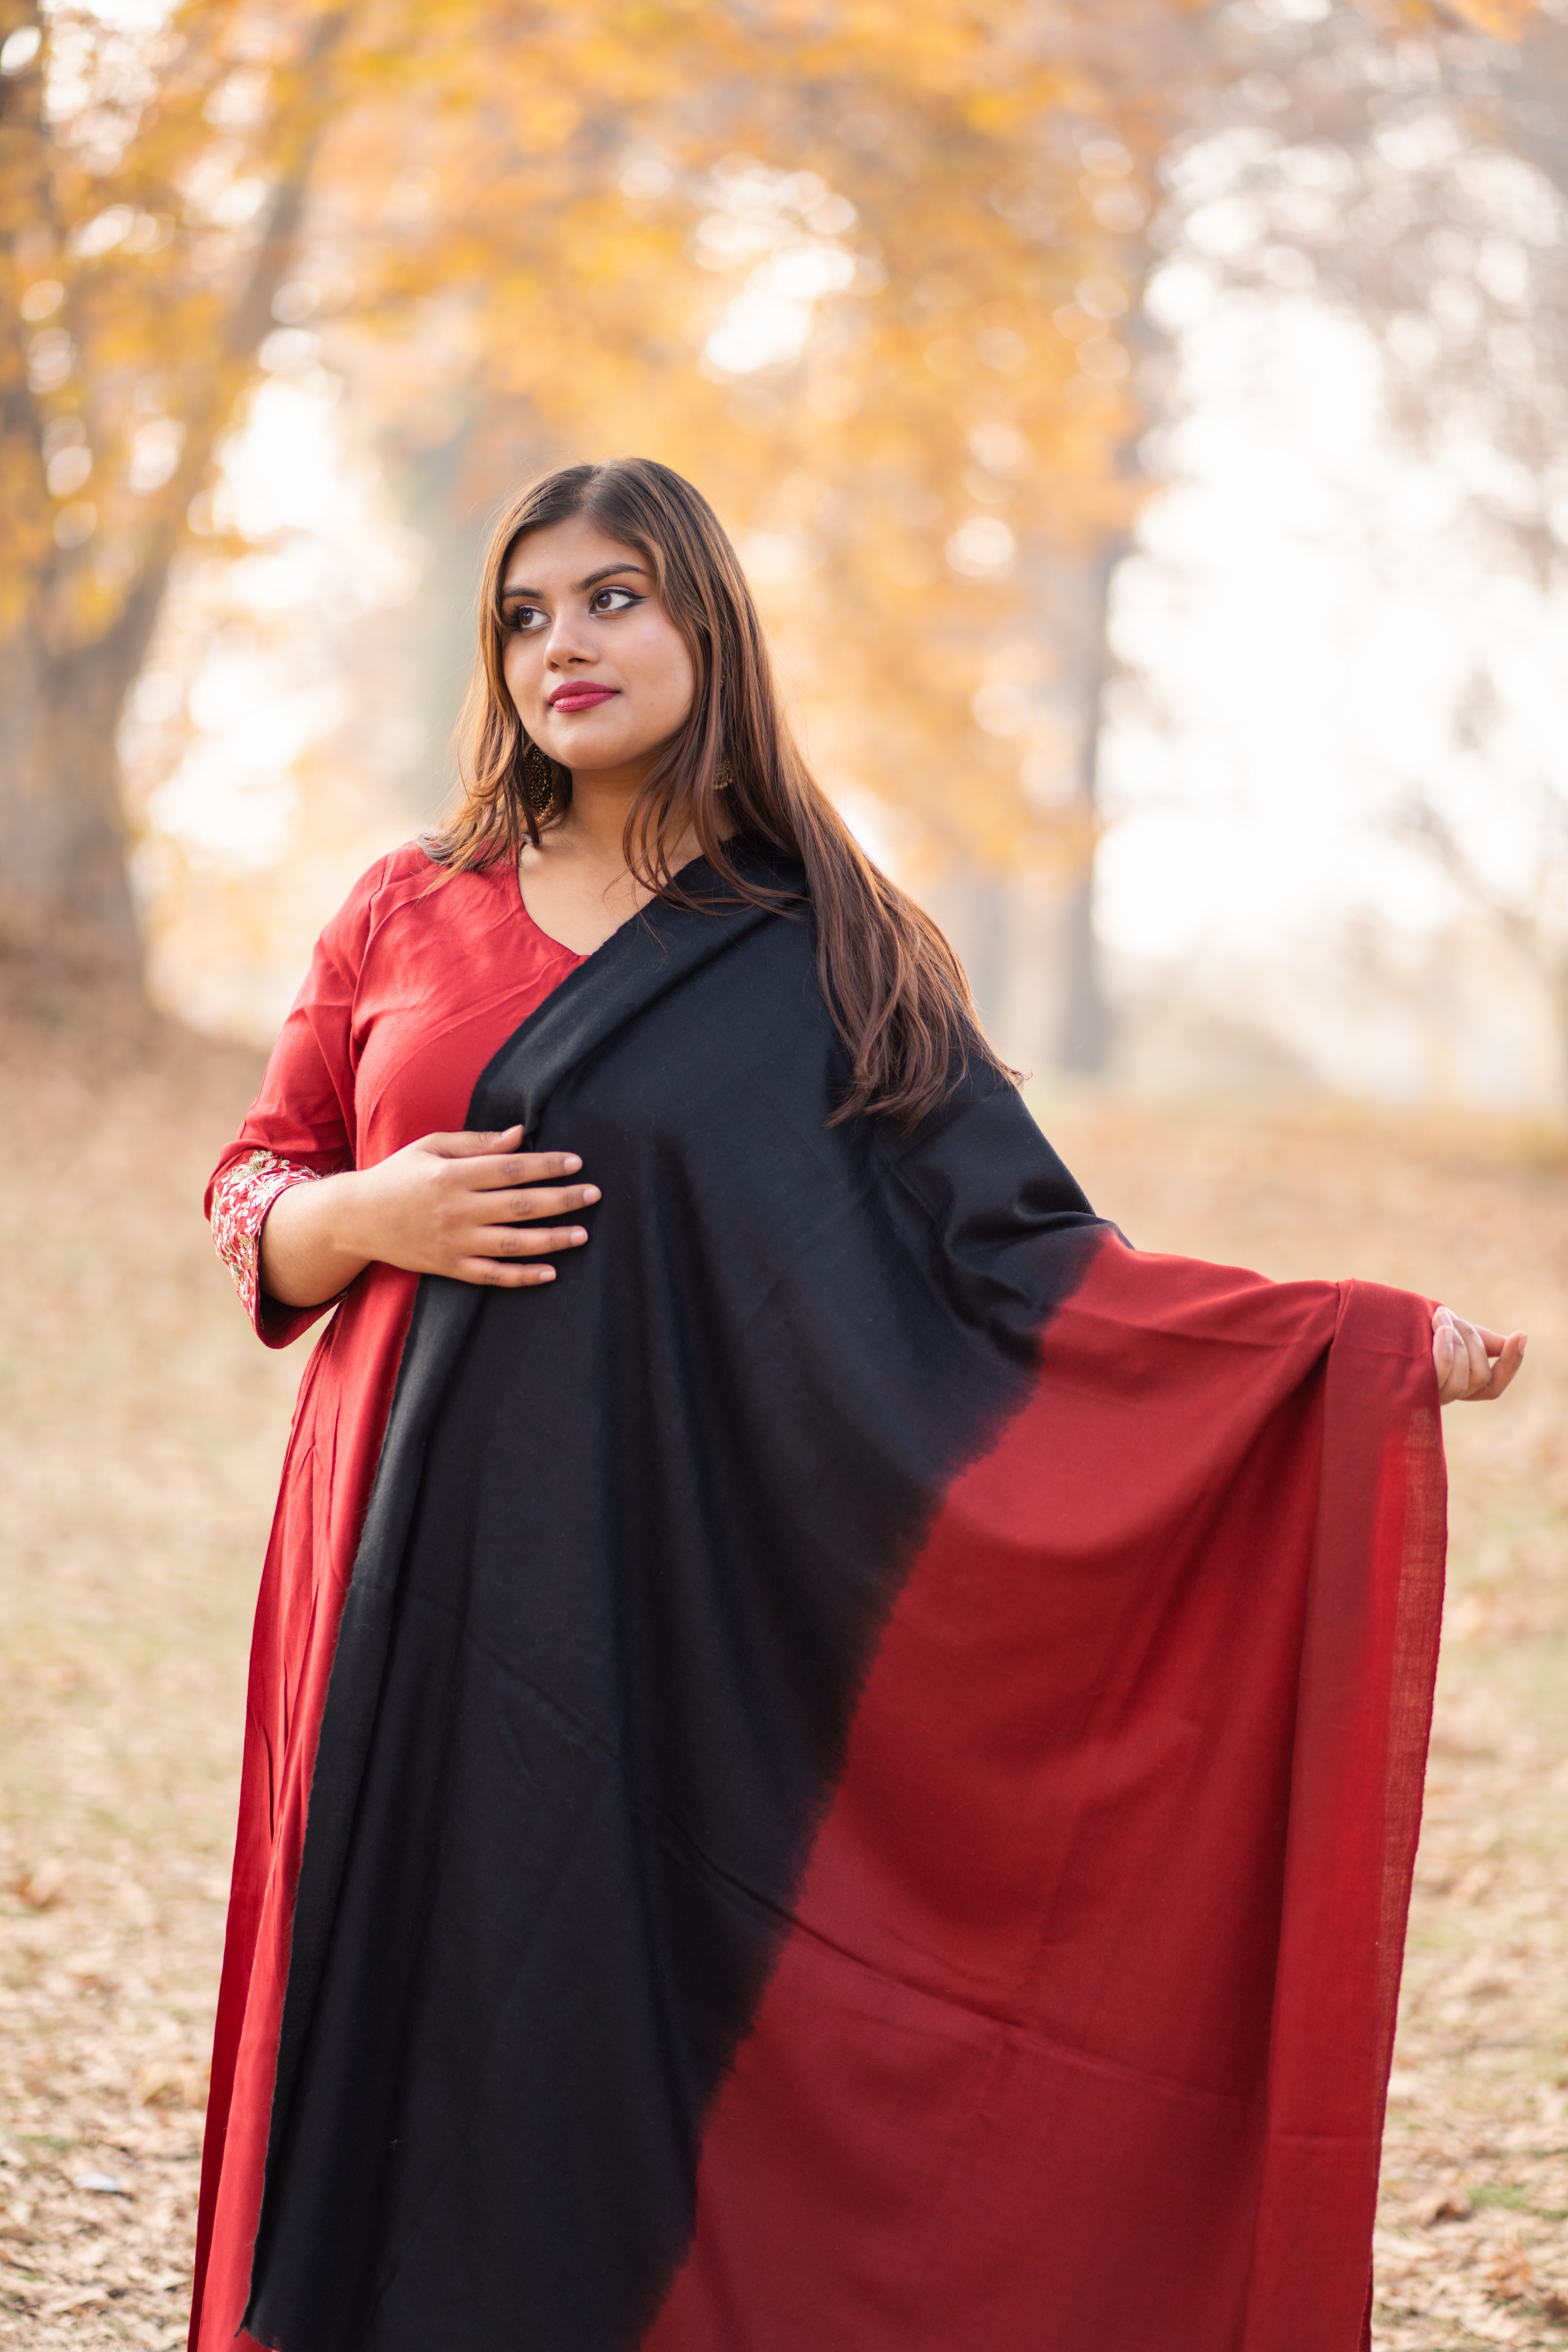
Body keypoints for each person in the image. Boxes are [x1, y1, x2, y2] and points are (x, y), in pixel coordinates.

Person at [190, 457, 1523, 2352]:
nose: (564, 645)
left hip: (646, 1596)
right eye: (526, 613)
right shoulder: (411, 905)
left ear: (707, 623)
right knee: (378, 1998)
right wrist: (356, 1213)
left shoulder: (828, 947)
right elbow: (252, 1177)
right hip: (384, 1562)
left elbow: (1038, 1271)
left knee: (571, 2036)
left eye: (614, 598)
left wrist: (1357, 1352)